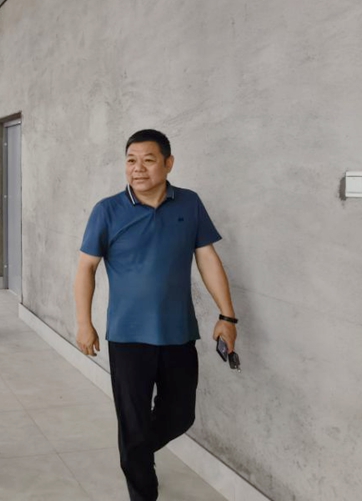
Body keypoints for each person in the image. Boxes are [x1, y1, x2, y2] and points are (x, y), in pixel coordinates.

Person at [74, 129, 238, 501]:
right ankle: (142, 490)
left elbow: (208, 259)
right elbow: (86, 269)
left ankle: (135, 452)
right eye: (131, 160)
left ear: (168, 163)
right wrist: (85, 323)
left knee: (180, 415)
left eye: (148, 160)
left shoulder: (190, 204)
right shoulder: (107, 210)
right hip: (127, 336)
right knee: (132, 421)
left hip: (179, 331)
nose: (138, 168)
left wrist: (228, 317)